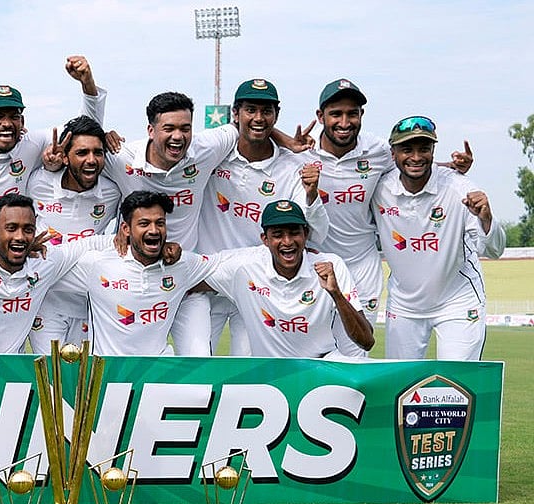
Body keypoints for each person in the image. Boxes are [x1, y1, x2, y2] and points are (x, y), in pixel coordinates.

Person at [100, 89, 311, 356]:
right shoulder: (123, 157)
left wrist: (288, 142)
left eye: (185, 128)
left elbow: (246, 127)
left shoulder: (205, 149)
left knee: (199, 361)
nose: (178, 136)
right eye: (169, 128)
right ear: (151, 130)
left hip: (188, 279)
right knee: (134, 360)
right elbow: (81, 148)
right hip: (138, 280)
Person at [300, 79, 473, 357]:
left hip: (361, 269)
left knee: (356, 355)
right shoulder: (301, 153)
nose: (345, 122)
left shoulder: (377, 150)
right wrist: (283, 139)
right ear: (320, 117)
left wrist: (453, 166)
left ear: (361, 116)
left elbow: (413, 162)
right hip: (312, 267)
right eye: (336, 114)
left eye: (352, 113)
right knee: (309, 353)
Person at [196, 78, 328, 357]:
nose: (258, 117)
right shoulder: (217, 155)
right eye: (250, 110)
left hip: (257, 286)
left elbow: (317, 233)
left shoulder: (294, 167)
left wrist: (313, 194)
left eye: (266, 111)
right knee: (198, 368)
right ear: (236, 113)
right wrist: (285, 138)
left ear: (276, 115)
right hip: (208, 281)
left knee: (251, 376)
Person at [372, 116, 504, 360]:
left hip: (457, 302)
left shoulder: (459, 188)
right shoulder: (379, 189)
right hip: (404, 306)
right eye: (407, 149)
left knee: (457, 386)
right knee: (403, 386)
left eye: (424, 149)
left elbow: (494, 251)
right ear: (393, 154)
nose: (416, 157)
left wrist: (486, 218)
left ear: (433, 151)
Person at [0, 56, 105, 241]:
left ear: (23, 121)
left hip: (12, 259)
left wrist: (87, 84)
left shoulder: (32, 144)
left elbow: (85, 130)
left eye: (14, 117)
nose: (7, 124)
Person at [0, 193, 113, 354]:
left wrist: (123, 236)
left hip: (10, 374)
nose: (20, 237)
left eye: (28, 230)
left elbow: (88, 244)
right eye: (11, 228)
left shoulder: (44, 263)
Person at [195, 200, 373, 358]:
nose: (287, 241)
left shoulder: (331, 266)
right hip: (270, 376)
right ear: (265, 239)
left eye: (294, 232)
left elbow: (366, 341)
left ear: (306, 234)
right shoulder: (245, 267)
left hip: (320, 370)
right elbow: (194, 277)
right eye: (278, 234)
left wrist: (336, 294)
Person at [60, 191, 219, 355]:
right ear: (126, 229)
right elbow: (48, 268)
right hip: (108, 374)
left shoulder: (181, 264)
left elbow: (225, 266)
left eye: (160, 223)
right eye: (144, 224)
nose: (154, 230)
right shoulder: (97, 264)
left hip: (155, 373)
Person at [26, 115, 122, 353]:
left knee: (84, 383)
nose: (91, 160)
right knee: (51, 378)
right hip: (45, 304)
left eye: (97, 153)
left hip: (89, 306)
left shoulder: (113, 192)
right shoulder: (37, 182)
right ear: (66, 157)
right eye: (82, 153)